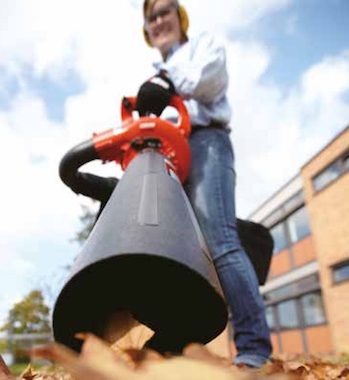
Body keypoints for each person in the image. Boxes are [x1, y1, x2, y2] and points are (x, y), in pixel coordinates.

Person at [136, 0, 272, 368]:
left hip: (206, 142)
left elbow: (208, 82)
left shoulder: (202, 48)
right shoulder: (152, 73)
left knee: (220, 241)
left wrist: (167, 83)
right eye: (151, 17)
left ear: (179, 18)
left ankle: (254, 349)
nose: (159, 20)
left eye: (165, 12)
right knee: (175, 253)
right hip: (167, 156)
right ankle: (174, 350)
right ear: (146, 30)